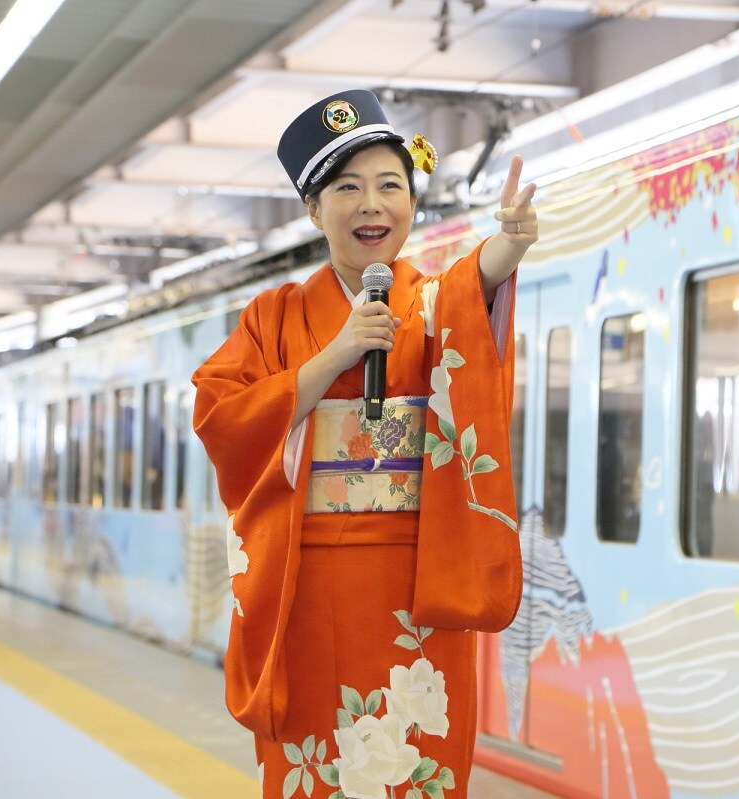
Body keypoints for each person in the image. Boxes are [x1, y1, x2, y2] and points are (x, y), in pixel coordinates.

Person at [192, 89, 537, 799]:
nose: (371, 204)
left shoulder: (437, 304)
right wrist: (332, 358)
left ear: (412, 202)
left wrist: (510, 244)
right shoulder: (274, 316)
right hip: (306, 587)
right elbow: (220, 415)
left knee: (415, 768)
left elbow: (478, 293)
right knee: (314, 768)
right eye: (346, 188)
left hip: (417, 588)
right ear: (314, 211)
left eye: (389, 185)